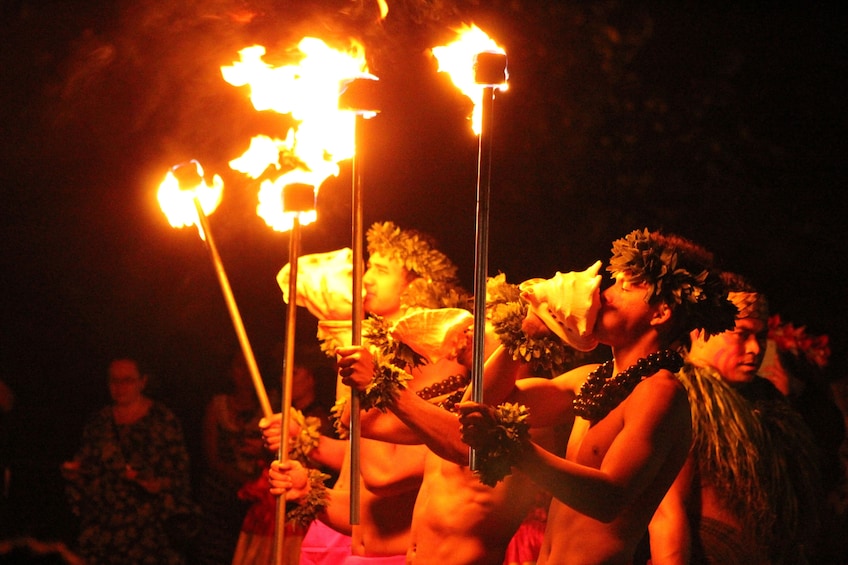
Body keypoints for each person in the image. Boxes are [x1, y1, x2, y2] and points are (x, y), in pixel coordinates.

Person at [458, 228, 738, 565]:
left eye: (627, 285)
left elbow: (608, 498)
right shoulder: (592, 379)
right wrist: (524, 333)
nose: (606, 292)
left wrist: (514, 447)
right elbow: (481, 401)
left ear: (661, 312)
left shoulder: (659, 392)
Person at [324, 262, 604, 564]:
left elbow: (461, 443)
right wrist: (391, 352)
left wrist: (380, 382)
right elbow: (359, 421)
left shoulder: (528, 415)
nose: (467, 332)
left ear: (516, 333)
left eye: (483, 323)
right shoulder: (460, 401)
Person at [264, 221, 470, 564]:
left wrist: (349, 340)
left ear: (418, 282)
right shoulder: (375, 354)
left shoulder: (438, 361)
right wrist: (306, 447)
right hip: (347, 537)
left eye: (380, 268)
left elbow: (383, 472)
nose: (365, 279)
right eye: (369, 265)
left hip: (395, 553)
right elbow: (361, 455)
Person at [646, 272, 826, 564]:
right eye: (742, 334)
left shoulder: (768, 400)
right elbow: (667, 510)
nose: (755, 349)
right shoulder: (677, 397)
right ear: (699, 331)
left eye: (761, 336)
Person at [61, 358, 197, 565]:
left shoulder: (162, 420)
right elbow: (86, 463)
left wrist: (157, 484)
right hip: (102, 528)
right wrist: (76, 474)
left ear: (142, 382)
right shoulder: (99, 422)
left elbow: (180, 473)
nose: (120, 387)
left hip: (148, 531)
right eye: (114, 380)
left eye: (127, 380)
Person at [193, 351, 270, 565]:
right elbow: (212, 456)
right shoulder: (217, 406)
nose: (245, 373)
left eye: (250, 366)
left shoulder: (268, 406)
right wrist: (240, 480)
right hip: (220, 495)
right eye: (239, 366)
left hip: (257, 499)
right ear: (230, 371)